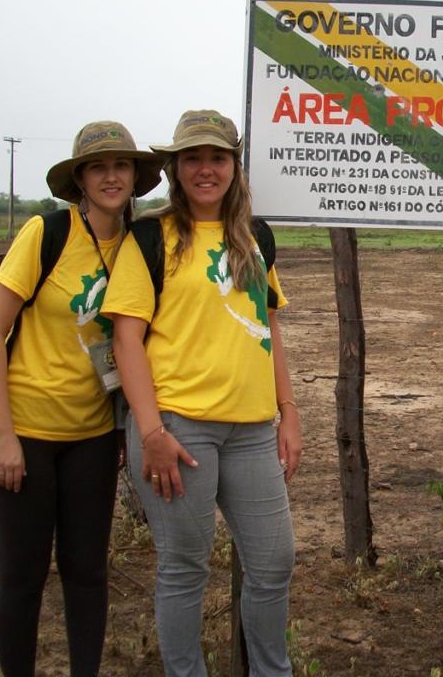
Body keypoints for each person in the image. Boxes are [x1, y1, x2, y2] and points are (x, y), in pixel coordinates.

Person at [102, 109, 302, 677]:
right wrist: (150, 432)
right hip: (177, 428)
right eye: (193, 158)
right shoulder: (150, 237)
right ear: (175, 168)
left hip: (251, 430)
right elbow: (126, 339)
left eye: (217, 157)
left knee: (273, 561)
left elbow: (268, 327)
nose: (205, 169)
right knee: (185, 567)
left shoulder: (255, 236)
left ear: (235, 166)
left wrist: (288, 412)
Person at [0, 121, 163, 677]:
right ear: (80, 179)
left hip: (93, 436)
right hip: (24, 431)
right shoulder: (47, 233)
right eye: (98, 167)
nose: (111, 176)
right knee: (23, 576)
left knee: (87, 572)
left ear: (135, 176)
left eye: (121, 165)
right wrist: (3, 434)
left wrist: (123, 427)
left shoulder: (141, 244)